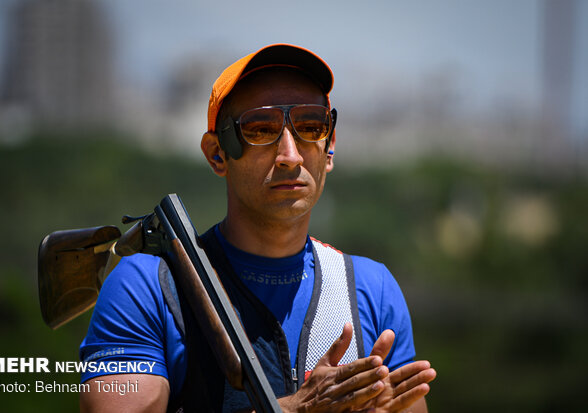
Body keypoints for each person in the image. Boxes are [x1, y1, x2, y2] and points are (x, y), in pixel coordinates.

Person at [79, 44, 436, 412]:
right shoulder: (147, 287)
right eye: (261, 129)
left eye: (311, 127)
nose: (290, 155)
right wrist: (295, 409)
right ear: (217, 153)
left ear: (329, 148)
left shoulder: (373, 289)